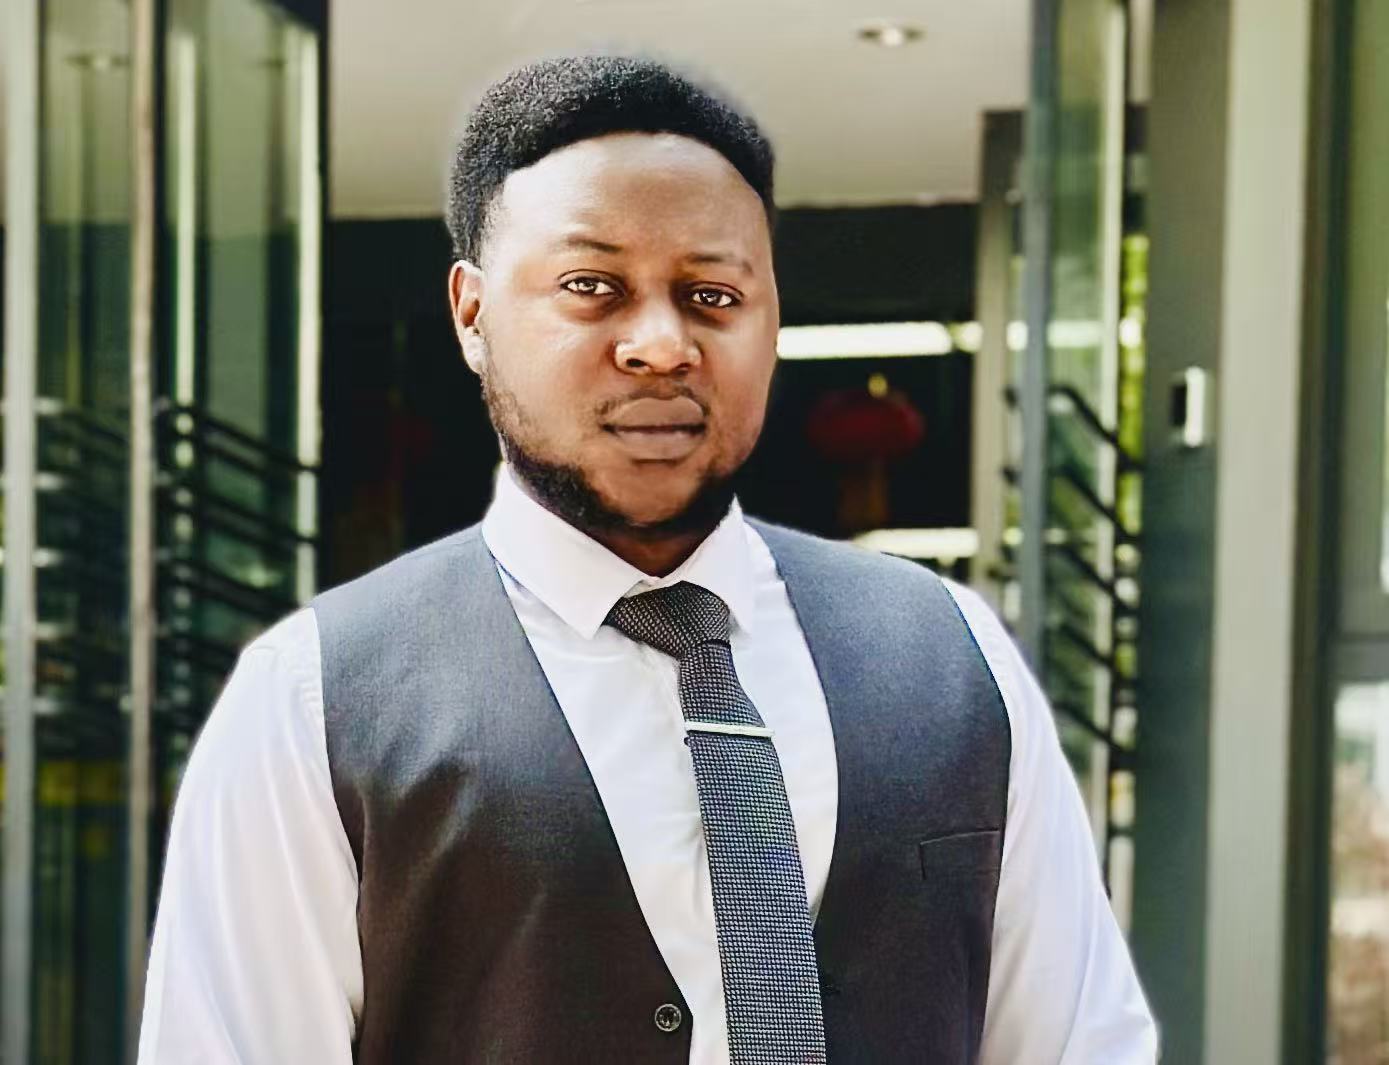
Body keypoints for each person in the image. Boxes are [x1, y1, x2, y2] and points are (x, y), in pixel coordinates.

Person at [137, 55, 1157, 1064]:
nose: (662, 344)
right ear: (472, 313)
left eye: (711, 294)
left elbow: (1081, 1042)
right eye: (592, 287)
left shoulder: (949, 654)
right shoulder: (315, 695)